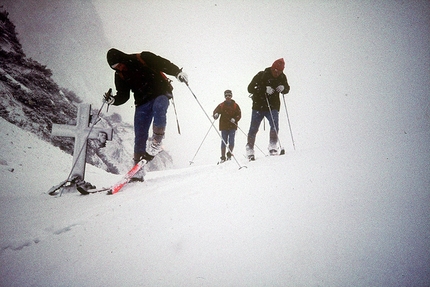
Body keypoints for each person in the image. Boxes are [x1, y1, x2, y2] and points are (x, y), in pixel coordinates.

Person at [104, 48, 188, 181]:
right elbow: (123, 95)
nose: (118, 68)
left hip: (160, 93)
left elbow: (162, 63)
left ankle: (156, 142)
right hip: (142, 102)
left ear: (122, 58)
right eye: (114, 67)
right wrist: (113, 100)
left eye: (118, 64)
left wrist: (177, 72)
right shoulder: (119, 74)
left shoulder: (142, 57)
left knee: (160, 108)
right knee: (140, 134)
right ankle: (137, 170)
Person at [246, 58, 290, 160]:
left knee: (275, 126)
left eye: (280, 71)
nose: (277, 73)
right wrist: (264, 89)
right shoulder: (261, 75)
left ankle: (273, 146)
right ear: (272, 67)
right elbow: (250, 88)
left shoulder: (282, 77)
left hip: (273, 106)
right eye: (275, 70)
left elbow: (287, 88)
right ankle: (250, 149)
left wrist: (284, 88)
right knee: (254, 128)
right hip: (258, 106)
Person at [212, 90, 242, 162]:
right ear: (225, 96)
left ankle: (229, 154)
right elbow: (216, 111)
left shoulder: (235, 105)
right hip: (224, 126)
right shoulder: (221, 105)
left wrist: (235, 119)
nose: (228, 97)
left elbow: (239, 114)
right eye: (226, 95)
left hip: (232, 126)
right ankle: (222, 157)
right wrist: (215, 115)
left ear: (231, 96)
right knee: (224, 142)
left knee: (231, 141)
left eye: (229, 95)